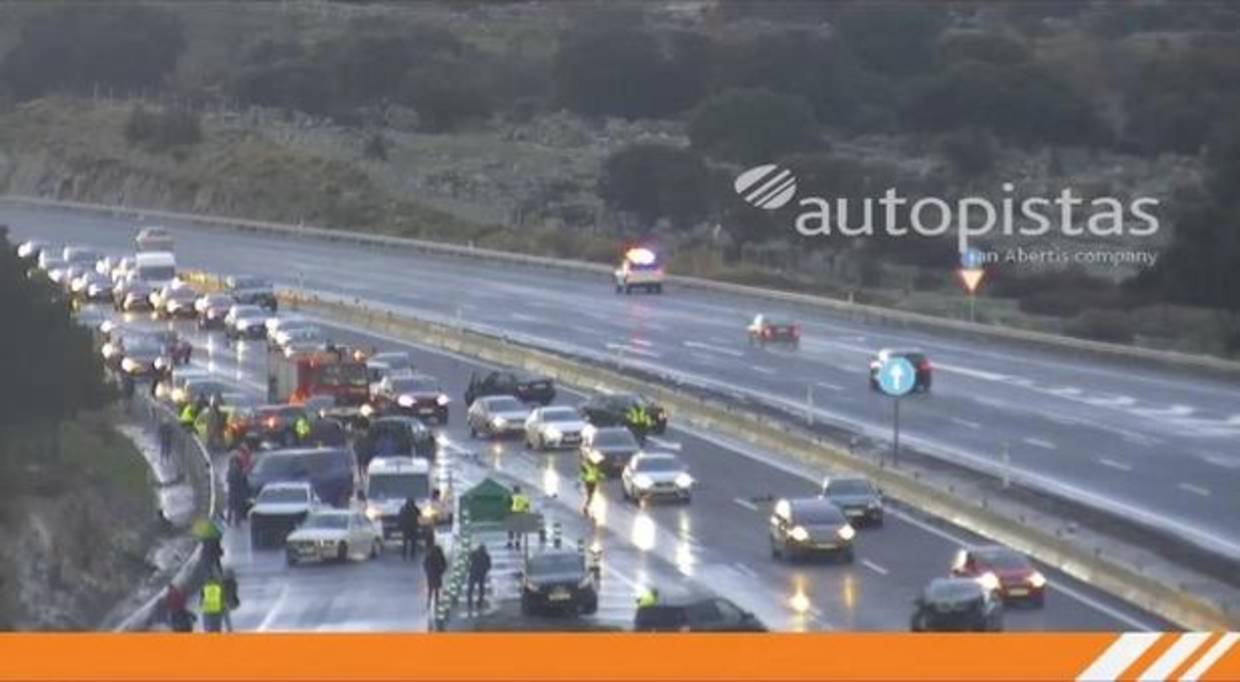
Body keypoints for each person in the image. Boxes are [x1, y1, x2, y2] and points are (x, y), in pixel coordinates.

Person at [423, 539, 447, 610]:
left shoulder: (429, 557)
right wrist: (441, 571)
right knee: (436, 590)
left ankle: (429, 602)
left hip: (431, 576)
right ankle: (436, 602)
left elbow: (425, 565)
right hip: (436, 575)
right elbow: (444, 565)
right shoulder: (439, 556)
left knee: (431, 590)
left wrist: (428, 572)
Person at [466, 543, 491, 612]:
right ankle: (479, 602)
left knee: (471, 588)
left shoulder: (474, 554)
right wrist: (485, 570)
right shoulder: (486, 556)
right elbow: (489, 566)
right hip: (480, 574)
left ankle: (470, 602)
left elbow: (468, 559)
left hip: (474, 573)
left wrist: (469, 569)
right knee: (480, 589)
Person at [226, 456, 248, 528]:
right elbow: (229, 480)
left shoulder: (240, 472)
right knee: (231, 507)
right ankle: (229, 521)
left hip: (238, 492)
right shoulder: (231, 471)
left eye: (236, 463)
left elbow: (244, 482)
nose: (235, 465)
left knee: (237, 508)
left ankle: (236, 521)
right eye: (233, 463)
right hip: (233, 492)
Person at [507, 485, 530, 549]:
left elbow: (508, 505)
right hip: (520, 514)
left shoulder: (511, 496)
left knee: (511, 529)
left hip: (513, 514)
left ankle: (510, 542)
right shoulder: (523, 497)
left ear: (514, 490)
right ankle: (518, 542)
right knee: (518, 530)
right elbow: (527, 505)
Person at [221, 568, 240, 633]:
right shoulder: (233, 584)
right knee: (226, 617)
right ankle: (229, 629)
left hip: (224, 603)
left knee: (225, 617)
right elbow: (233, 594)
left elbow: (233, 594)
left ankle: (229, 629)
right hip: (225, 603)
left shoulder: (232, 584)